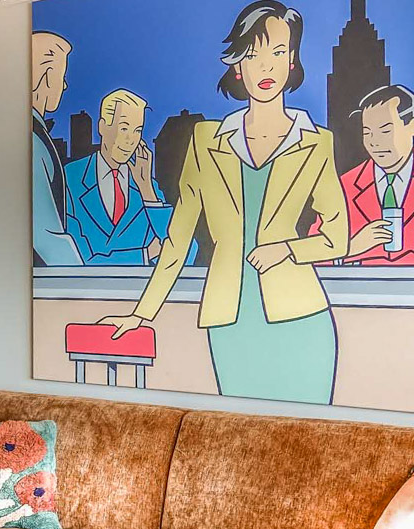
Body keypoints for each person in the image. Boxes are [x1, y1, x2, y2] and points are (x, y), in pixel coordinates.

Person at [101, 1, 349, 405]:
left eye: (278, 52)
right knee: (238, 436)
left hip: (302, 316)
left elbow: (337, 239)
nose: (265, 67)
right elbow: (177, 239)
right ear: (237, 67)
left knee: (306, 435)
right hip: (229, 319)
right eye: (252, 55)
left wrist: (287, 249)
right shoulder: (205, 141)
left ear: (292, 62)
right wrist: (142, 312)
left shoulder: (317, 142)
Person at [66, 90, 193, 265]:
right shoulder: (71, 177)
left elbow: (186, 254)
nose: (130, 139)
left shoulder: (146, 185)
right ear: (102, 127)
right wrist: (145, 254)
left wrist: (147, 190)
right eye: (124, 128)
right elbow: (76, 260)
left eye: (137, 131)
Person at [326, 84, 414, 265]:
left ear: (413, 127)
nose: (375, 143)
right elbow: (316, 252)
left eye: (385, 131)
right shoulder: (346, 185)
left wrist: (350, 255)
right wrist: (350, 248)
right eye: (367, 133)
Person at [31, 32, 85, 266]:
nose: (64, 86)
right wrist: (82, 280)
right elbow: (46, 237)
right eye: (61, 77)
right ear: (45, 76)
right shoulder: (32, 141)